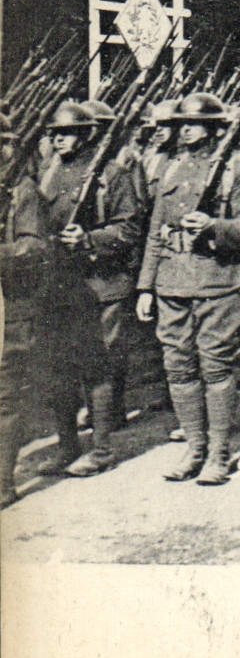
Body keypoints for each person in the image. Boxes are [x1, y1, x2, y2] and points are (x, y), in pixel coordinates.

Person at [135, 92, 240, 485]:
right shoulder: (171, 170)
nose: (184, 130)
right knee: (178, 366)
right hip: (172, 282)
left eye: (192, 123)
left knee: (215, 366)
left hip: (217, 281)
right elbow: (155, 234)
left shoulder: (234, 170)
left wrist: (213, 226)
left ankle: (218, 453)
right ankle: (194, 448)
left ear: (212, 128)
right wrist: (146, 286)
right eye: (180, 124)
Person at [35, 102, 143, 477]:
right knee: (59, 367)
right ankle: (67, 446)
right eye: (54, 134)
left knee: (99, 366)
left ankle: (101, 450)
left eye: (65, 133)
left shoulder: (110, 175)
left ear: (85, 135)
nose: (58, 139)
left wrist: (90, 238)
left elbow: (130, 230)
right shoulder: (46, 172)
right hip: (59, 284)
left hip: (102, 284)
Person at [1, 116, 49, 507]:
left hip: (9, 306)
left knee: (5, 398)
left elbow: (32, 248)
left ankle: (3, 482)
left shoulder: (23, 192)